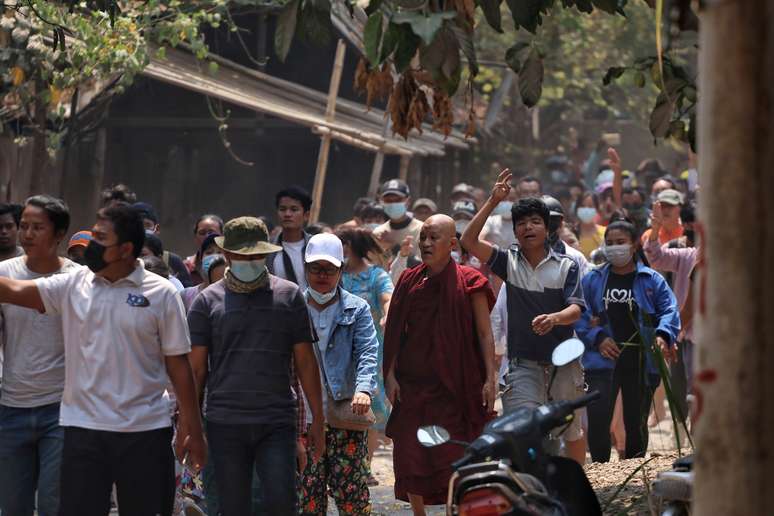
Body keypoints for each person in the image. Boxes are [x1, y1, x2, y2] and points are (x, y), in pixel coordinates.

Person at [0, 202, 207, 516]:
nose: (92, 245)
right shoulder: (73, 285)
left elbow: (178, 364)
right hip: (83, 431)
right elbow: (15, 289)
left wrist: (192, 428)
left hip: (144, 432)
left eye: (100, 239)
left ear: (125, 249)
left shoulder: (161, 293)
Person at [188, 217, 325, 516]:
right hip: (224, 422)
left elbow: (305, 362)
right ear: (227, 255)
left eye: (255, 255)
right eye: (242, 255)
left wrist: (318, 418)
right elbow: (196, 370)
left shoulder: (289, 296)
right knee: (232, 507)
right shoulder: (206, 301)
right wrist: (190, 425)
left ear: (266, 254)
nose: (249, 261)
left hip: (276, 422)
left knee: (280, 503)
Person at [460, 173, 587, 465]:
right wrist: (493, 201)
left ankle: (579, 486)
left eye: (535, 221)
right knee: (521, 430)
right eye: (521, 223)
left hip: (564, 363)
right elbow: (468, 240)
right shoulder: (508, 262)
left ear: (547, 228)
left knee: (570, 431)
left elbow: (576, 310)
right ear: (515, 231)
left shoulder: (567, 266)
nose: (528, 227)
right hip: (522, 366)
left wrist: (554, 318)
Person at [384, 214, 496, 515]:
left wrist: (490, 377)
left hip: (455, 385)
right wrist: (390, 375)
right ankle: (419, 513)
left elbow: (485, 334)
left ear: (453, 243)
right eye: (423, 237)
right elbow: (394, 331)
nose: (426, 243)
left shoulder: (471, 281)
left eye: (434, 238)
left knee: (453, 455)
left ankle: (452, 510)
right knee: (410, 452)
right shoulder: (409, 280)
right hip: (413, 385)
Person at [0, 196, 80, 516]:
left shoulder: (79, 279)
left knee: (52, 503)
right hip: (11, 406)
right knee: (13, 506)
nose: (27, 235)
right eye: (24, 227)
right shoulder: (5, 273)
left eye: (37, 228)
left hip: (60, 409)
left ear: (59, 234)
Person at [576, 219, 681, 462]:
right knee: (599, 419)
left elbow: (669, 310)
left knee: (636, 421)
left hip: (641, 361)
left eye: (620, 242)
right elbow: (580, 312)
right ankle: (601, 469)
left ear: (634, 244)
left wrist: (663, 335)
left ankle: (634, 471)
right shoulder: (593, 279)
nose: (614, 247)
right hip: (601, 362)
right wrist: (598, 337)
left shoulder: (651, 280)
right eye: (609, 243)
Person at [297, 233, 379, 515]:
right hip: (302, 418)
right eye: (316, 269)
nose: (322, 275)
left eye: (329, 269)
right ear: (305, 269)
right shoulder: (290, 305)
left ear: (340, 271)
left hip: (343, 411)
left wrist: (363, 390)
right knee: (307, 494)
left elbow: (368, 351)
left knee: (351, 494)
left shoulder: (357, 308)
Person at [336, 227, 393, 481]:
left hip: (371, 353)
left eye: (342, 244)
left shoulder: (375, 276)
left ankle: (364, 467)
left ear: (352, 246)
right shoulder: (333, 275)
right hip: (336, 353)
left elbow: (387, 298)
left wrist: (388, 314)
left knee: (369, 408)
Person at [133, 202, 193, 287]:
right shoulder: (120, 259)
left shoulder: (172, 261)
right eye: (137, 225)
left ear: (157, 229)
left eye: (147, 225)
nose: (142, 230)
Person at [267, 186, 313, 292]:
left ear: (306, 215)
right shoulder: (268, 250)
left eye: (294, 209)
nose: (287, 214)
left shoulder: (316, 247)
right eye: (282, 209)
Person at [372, 179, 423, 258]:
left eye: (398, 200)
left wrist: (394, 247)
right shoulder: (378, 233)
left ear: (408, 201)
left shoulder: (421, 230)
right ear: (382, 202)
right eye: (388, 200)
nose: (393, 204)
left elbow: (424, 266)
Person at [181, 233, 224, 311]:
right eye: (209, 252)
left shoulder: (235, 295)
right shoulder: (186, 295)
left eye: (219, 252)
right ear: (201, 259)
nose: (214, 256)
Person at [184, 214, 225, 282]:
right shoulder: (186, 268)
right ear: (195, 237)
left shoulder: (232, 266)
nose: (206, 236)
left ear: (222, 235)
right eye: (202, 233)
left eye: (211, 232)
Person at [575, 192, 607, 258]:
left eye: (590, 206)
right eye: (582, 206)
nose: (586, 209)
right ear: (577, 208)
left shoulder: (605, 232)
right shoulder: (571, 233)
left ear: (597, 209)